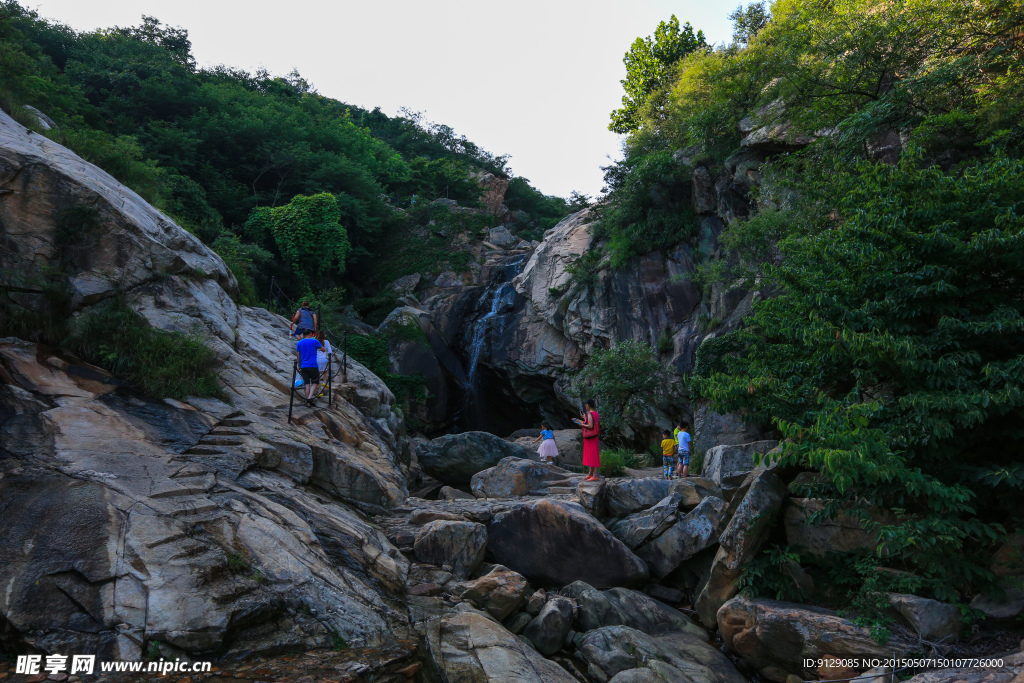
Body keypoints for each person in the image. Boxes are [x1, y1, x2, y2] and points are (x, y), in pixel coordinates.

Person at [295, 328, 322, 407]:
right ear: (311, 334)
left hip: (303, 365)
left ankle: (308, 403)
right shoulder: (314, 341)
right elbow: (323, 349)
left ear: (303, 335)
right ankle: (309, 398)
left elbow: (298, 355)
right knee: (315, 382)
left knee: (307, 384)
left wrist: (299, 365)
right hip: (313, 365)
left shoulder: (299, 343)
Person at [574, 399, 601, 481]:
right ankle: (591, 473)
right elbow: (593, 422)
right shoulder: (595, 413)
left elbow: (590, 426)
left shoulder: (590, 414)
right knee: (593, 454)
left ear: (588, 405)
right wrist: (585, 418)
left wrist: (581, 424)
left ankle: (595, 475)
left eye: (586, 405)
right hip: (594, 437)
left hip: (590, 437)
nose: (586, 406)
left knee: (593, 455)